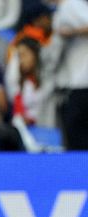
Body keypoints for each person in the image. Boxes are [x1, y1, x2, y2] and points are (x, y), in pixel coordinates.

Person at [52, 0, 88, 150]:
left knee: (76, 139)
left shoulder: (71, 4)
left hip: (80, 84)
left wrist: (70, 33)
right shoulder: (63, 8)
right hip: (73, 84)